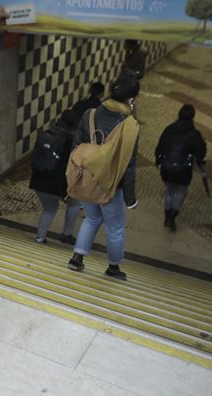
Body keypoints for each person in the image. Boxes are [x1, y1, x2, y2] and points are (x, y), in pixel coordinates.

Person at [67, 74, 141, 280]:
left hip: (88, 180)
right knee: (115, 227)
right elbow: (129, 166)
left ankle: (77, 259)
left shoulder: (89, 114)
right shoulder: (130, 126)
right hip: (111, 186)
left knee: (91, 218)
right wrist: (130, 198)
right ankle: (113, 268)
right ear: (131, 100)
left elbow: (77, 145)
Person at [29, 110, 80, 244]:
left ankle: (40, 237)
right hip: (57, 185)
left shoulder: (46, 134)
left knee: (50, 208)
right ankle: (66, 234)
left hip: (38, 182)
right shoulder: (71, 141)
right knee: (75, 203)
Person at [154, 104, 207, 232]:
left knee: (169, 191)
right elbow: (201, 153)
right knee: (181, 192)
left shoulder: (169, 129)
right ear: (192, 117)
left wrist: (158, 160)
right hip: (183, 170)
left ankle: (167, 216)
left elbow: (160, 147)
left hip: (167, 168)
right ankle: (172, 217)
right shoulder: (194, 135)